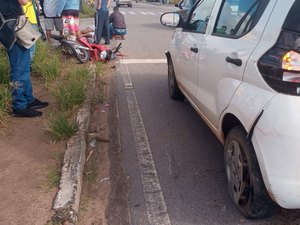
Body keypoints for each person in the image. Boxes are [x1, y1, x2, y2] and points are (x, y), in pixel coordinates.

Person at [0, 0, 49, 117]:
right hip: (12, 25)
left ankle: (28, 99)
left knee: (23, 66)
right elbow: (24, 1)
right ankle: (18, 104)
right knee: (18, 69)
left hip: (10, 24)